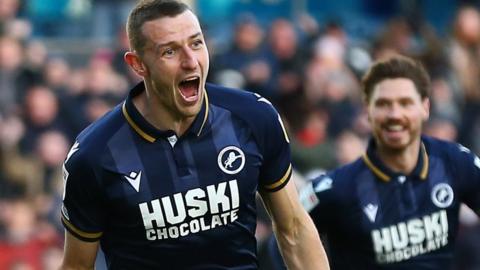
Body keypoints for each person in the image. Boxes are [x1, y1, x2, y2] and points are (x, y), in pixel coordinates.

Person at [59, 1, 329, 269]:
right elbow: (77, 266)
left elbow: (293, 228)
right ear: (138, 64)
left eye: (197, 43)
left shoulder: (253, 118)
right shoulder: (93, 155)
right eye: (170, 52)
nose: (190, 62)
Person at [299, 55, 480, 269]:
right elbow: (287, 238)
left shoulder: (455, 162)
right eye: (384, 104)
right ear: (367, 111)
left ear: (425, 107)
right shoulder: (336, 189)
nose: (395, 114)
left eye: (405, 103)